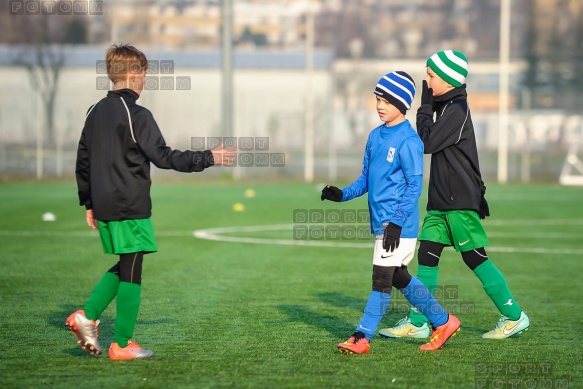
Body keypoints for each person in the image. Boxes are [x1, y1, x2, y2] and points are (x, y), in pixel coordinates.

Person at [66, 43, 233, 360]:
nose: (144, 81)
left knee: (129, 262)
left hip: (104, 203)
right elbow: (164, 157)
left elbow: (82, 161)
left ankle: (87, 317)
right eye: (142, 74)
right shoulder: (137, 114)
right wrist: (209, 157)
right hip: (129, 202)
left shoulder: (94, 111)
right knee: (132, 268)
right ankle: (120, 342)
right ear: (131, 74)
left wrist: (88, 203)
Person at [379, 50, 529, 341]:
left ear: (447, 79)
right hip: (440, 201)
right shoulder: (447, 106)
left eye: (431, 75)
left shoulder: (457, 109)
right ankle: (419, 322)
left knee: (475, 257)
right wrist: (429, 104)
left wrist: (424, 106)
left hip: (458, 201)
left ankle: (514, 316)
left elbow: (427, 142)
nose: (427, 80)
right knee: (426, 257)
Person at [321, 71, 461, 354]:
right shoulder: (374, 136)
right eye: (377, 98)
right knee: (399, 277)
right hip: (383, 225)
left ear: (402, 102)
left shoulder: (409, 140)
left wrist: (396, 223)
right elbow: (366, 178)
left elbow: (414, 186)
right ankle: (443, 321)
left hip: (399, 227)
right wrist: (343, 194)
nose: (379, 104)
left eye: (386, 100)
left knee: (381, 280)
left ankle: (361, 337)